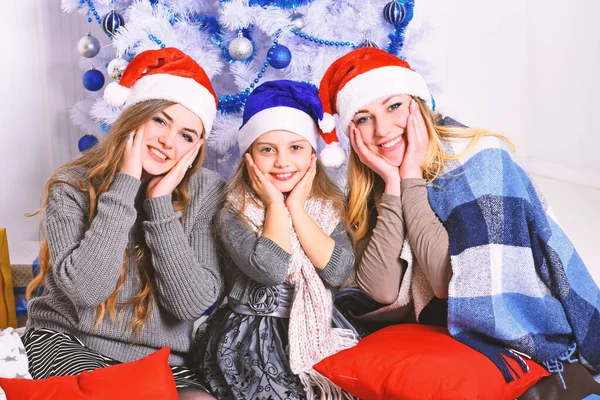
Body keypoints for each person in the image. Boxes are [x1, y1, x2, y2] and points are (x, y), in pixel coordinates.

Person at [317, 47, 600, 394]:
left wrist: (411, 182)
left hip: (513, 325)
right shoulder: (372, 182)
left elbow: (446, 285)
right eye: (363, 118)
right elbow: (381, 290)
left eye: (394, 106)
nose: (382, 130)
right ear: (351, 132)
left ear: (417, 104)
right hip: (438, 329)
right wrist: (393, 186)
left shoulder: (481, 158)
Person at [24, 47, 224, 399]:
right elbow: (86, 291)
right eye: (160, 120)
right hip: (69, 342)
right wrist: (125, 185)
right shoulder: (72, 183)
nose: (167, 140)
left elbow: (189, 306)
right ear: (135, 116)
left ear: (195, 148)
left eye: (186, 135)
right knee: (120, 392)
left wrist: (159, 204)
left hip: (162, 359)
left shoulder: (206, 191)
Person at [190, 80, 357, 400]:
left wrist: (296, 207)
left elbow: (336, 272)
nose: (282, 162)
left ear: (313, 155)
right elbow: (270, 269)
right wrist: (276, 205)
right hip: (248, 334)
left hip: (314, 325)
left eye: (296, 148)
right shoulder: (234, 212)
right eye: (268, 149)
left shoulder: (327, 208)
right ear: (249, 156)